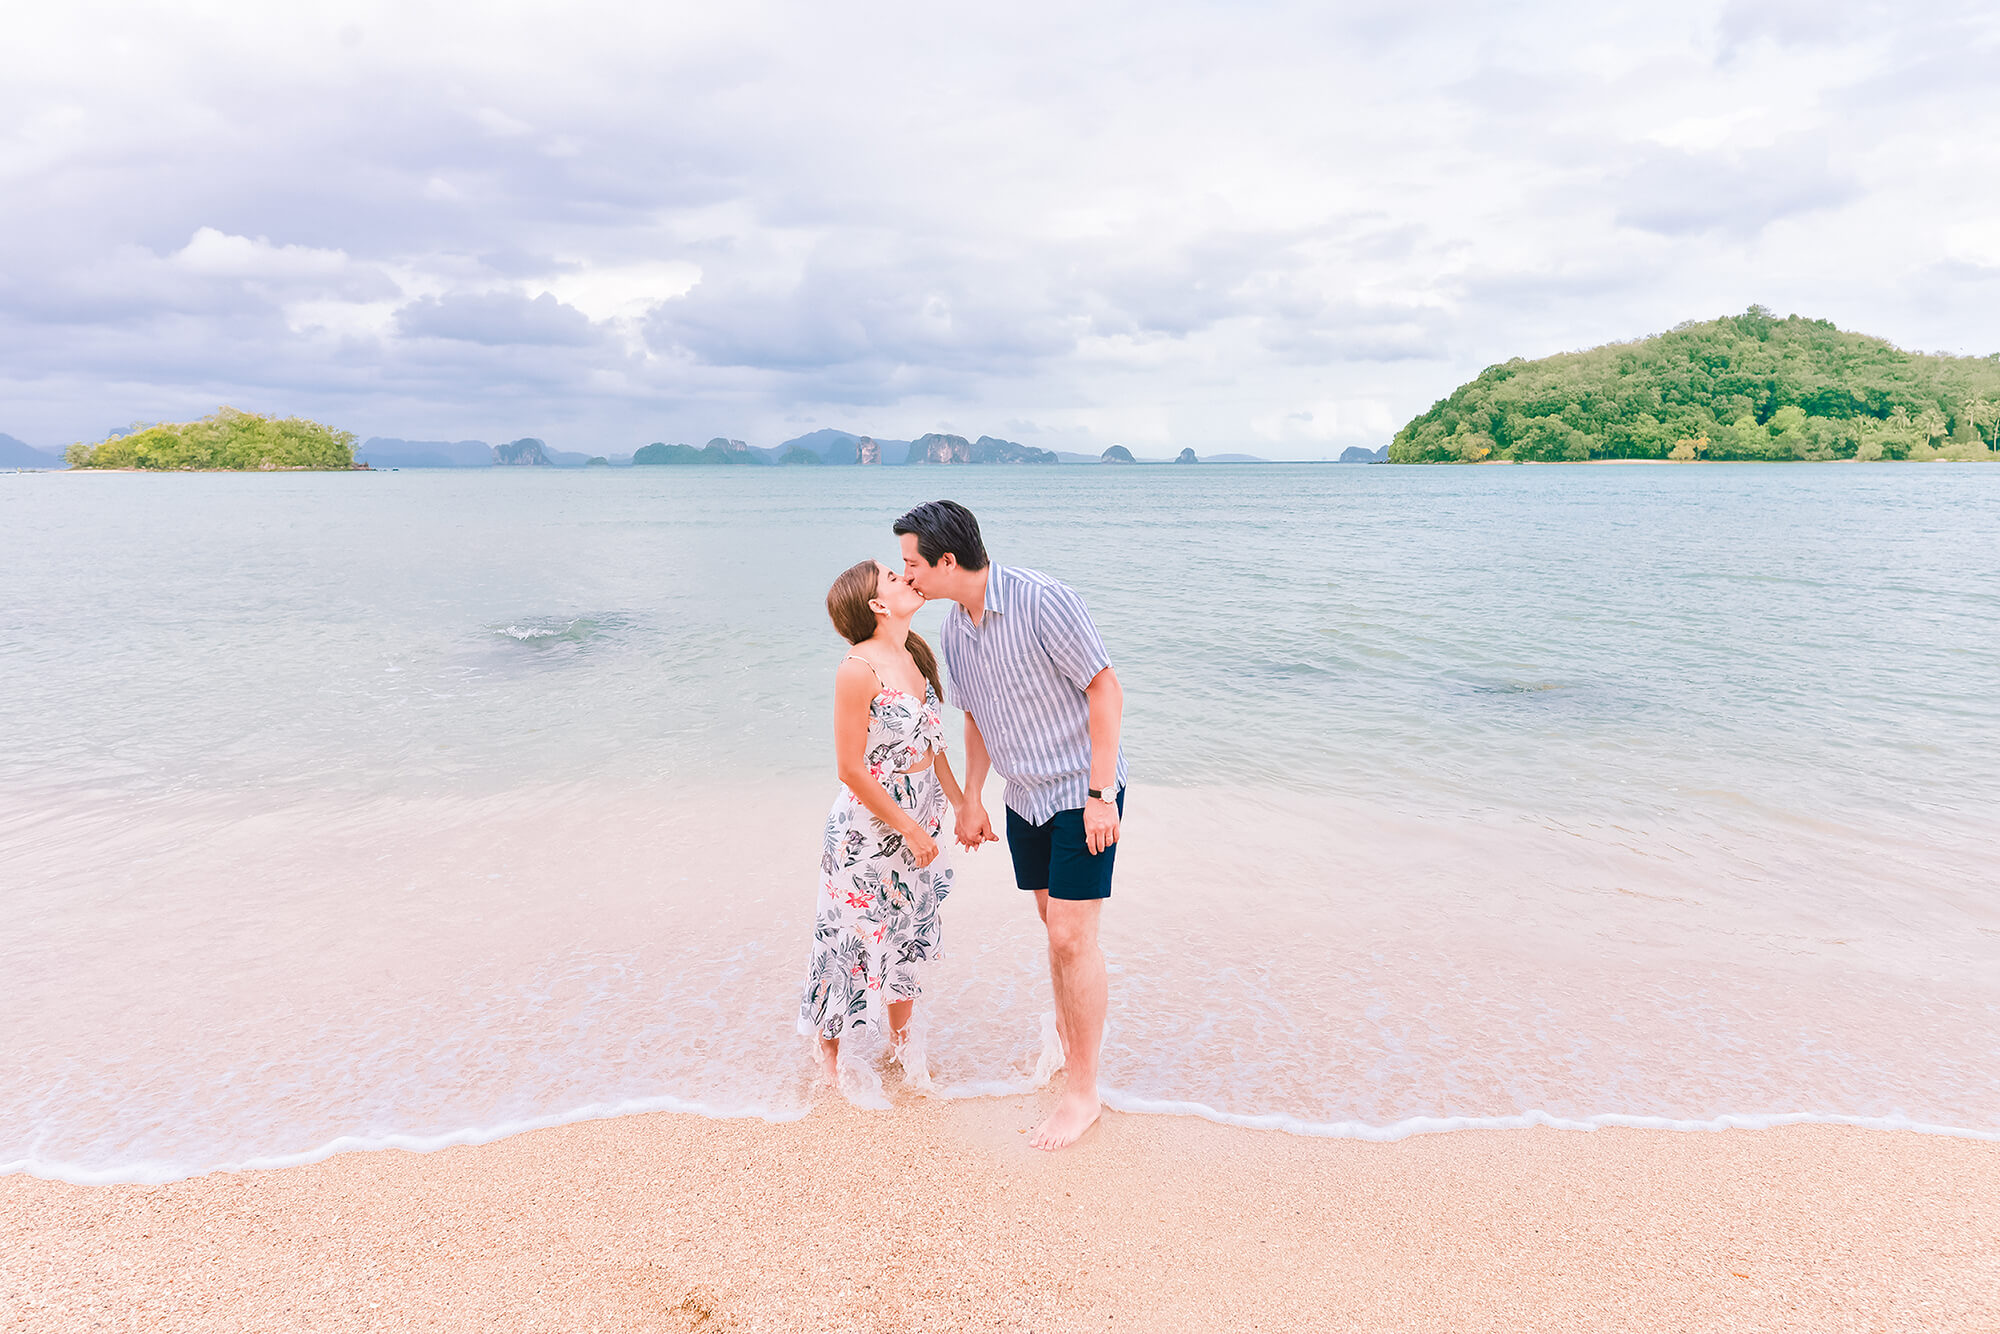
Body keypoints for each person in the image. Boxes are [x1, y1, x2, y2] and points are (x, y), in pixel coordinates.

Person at [894, 500, 1127, 1151]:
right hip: (1024, 798)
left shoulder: (1041, 600)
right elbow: (976, 718)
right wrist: (972, 797)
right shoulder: (953, 631)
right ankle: (1069, 1038)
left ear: (946, 560)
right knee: (1053, 928)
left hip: (1082, 789)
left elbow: (1105, 689)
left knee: (1072, 939)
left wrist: (1102, 793)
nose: (904, 573)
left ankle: (1083, 1094)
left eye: (911, 562)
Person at [798, 559, 964, 1094]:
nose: (905, 578)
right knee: (846, 934)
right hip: (866, 828)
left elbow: (934, 744)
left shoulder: (915, 654)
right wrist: (907, 829)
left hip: (922, 810)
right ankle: (829, 1057)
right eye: (892, 578)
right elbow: (849, 767)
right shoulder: (857, 668)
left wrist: (960, 805)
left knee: (907, 931)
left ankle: (901, 1045)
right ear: (876, 605)